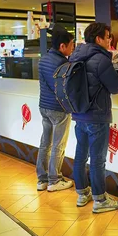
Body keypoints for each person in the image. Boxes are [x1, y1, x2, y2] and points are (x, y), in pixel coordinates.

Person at [70, 23, 118, 213]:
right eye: (108, 36)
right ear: (98, 39)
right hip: (97, 115)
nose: (110, 39)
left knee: (80, 155)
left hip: (79, 115)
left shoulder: (76, 56)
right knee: (97, 160)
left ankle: (81, 193)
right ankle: (100, 200)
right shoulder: (101, 60)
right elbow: (115, 87)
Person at [36, 26, 76, 192]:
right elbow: (62, 88)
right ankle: (54, 180)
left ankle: (42, 179)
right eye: (71, 45)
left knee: (45, 143)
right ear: (62, 46)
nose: (73, 48)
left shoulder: (44, 59)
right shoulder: (62, 63)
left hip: (44, 107)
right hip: (58, 109)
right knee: (58, 145)